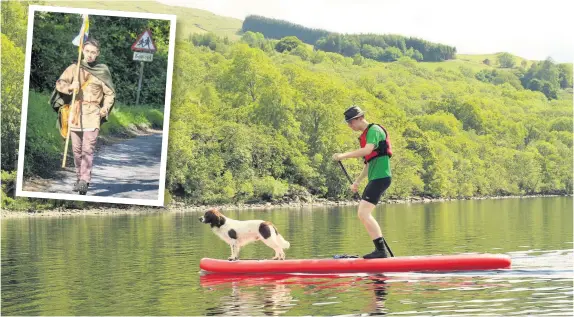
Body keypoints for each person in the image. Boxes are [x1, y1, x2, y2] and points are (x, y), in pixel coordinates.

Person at [50, 38, 116, 195]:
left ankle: (84, 180)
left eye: (93, 52)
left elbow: (110, 93)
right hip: (75, 113)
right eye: (87, 51)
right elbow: (59, 83)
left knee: (88, 149)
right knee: (77, 150)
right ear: (82, 51)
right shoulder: (74, 68)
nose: (90, 55)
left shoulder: (102, 71)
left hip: (92, 114)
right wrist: (70, 87)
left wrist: (105, 108)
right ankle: (79, 178)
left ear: (98, 53)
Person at [332, 105, 392, 259]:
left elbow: (366, 151)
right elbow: (368, 163)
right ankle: (380, 251)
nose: (349, 126)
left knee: (363, 213)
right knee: (363, 213)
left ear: (359, 118)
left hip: (381, 177)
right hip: (376, 178)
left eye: (351, 122)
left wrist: (343, 156)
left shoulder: (374, 130)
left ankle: (381, 251)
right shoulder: (366, 135)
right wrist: (357, 182)